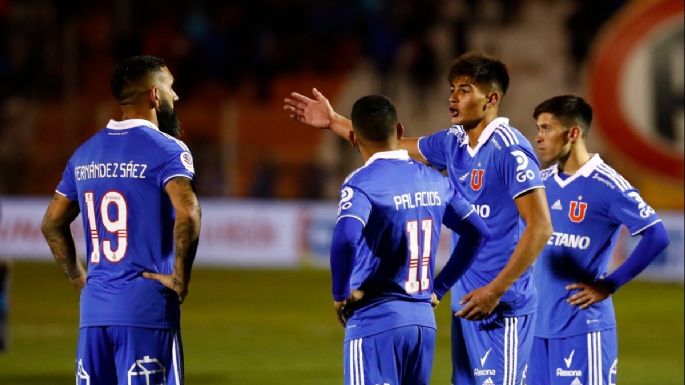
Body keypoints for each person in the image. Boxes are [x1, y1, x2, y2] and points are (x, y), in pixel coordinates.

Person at [285, 52, 552, 384]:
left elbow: (540, 226)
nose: (453, 97)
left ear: (492, 99)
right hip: (465, 302)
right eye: (453, 88)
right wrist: (334, 121)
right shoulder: (453, 143)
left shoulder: (511, 151)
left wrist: (496, 290)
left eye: (465, 89)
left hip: (501, 306)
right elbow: (387, 144)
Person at [41, 55, 201, 385]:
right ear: (155, 95)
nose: (176, 96)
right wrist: (180, 278)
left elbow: (52, 223)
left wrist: (79, 281)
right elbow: (188, 211)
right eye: (170, 88)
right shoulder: (168, 150)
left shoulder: (85, 153)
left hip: (93, 315)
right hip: (147, 311)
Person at [331, 95, 490, 385]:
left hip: (375, 320)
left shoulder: (362, 182)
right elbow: (477, 232)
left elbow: (345, 239)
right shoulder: (434, 179)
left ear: (353, 137)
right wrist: (439, 288)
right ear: (400, 131)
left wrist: (341, 294)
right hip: (421, 323)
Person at [528, 95, 670, 385]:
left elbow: (657, 235)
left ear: (574, 133)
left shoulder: (607, 184)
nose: (538, 137)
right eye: (538, 128)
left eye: (546, 128)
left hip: (582, 327)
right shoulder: (540, 182)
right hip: (535, 327)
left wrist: (610, 283)